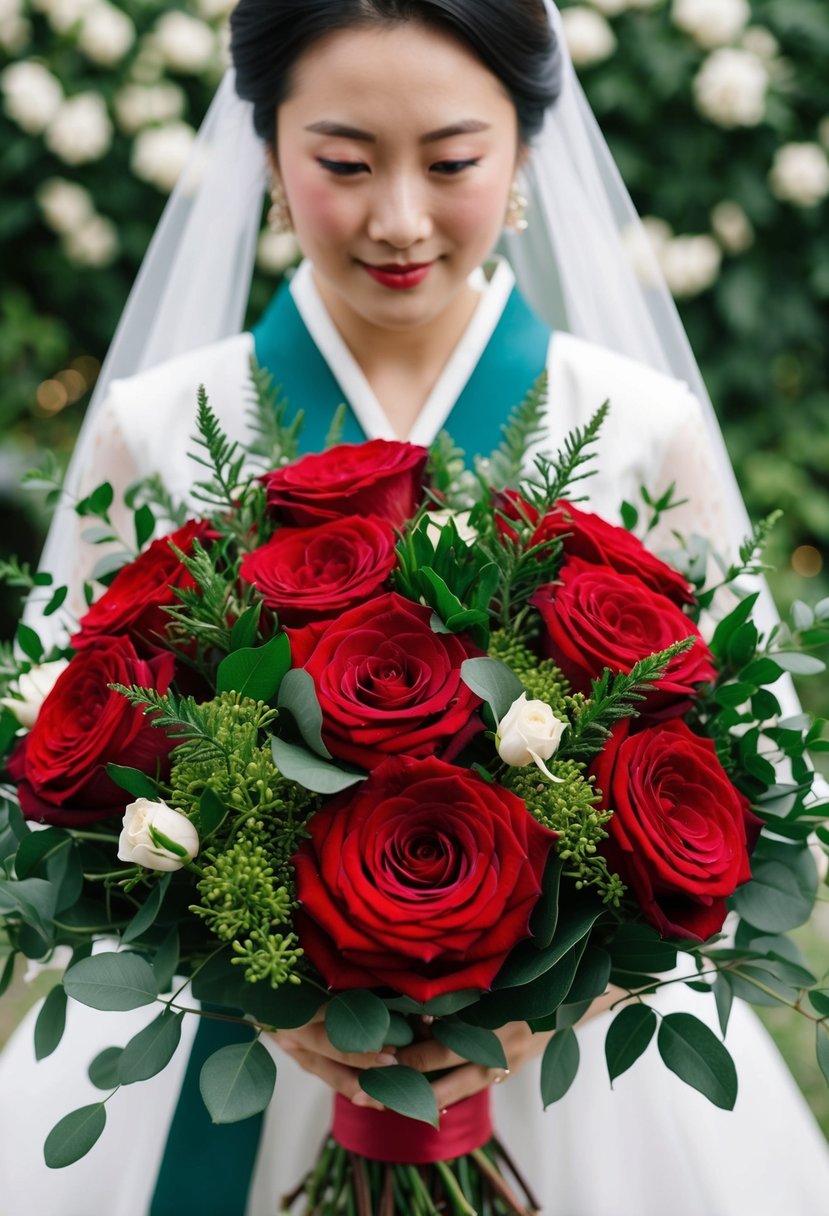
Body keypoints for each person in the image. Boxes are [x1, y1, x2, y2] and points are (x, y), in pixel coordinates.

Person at [1, 2, 827, 1214]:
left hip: (574, 1087)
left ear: (527, 153)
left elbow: (758, 793)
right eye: (343, 163)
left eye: (451, 162)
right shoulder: (161, 427)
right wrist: (262, 995)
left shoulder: (640, 427)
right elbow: (54, 767)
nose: (398, 219)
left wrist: (564, 993)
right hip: (228, 1066)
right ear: (270, 153)